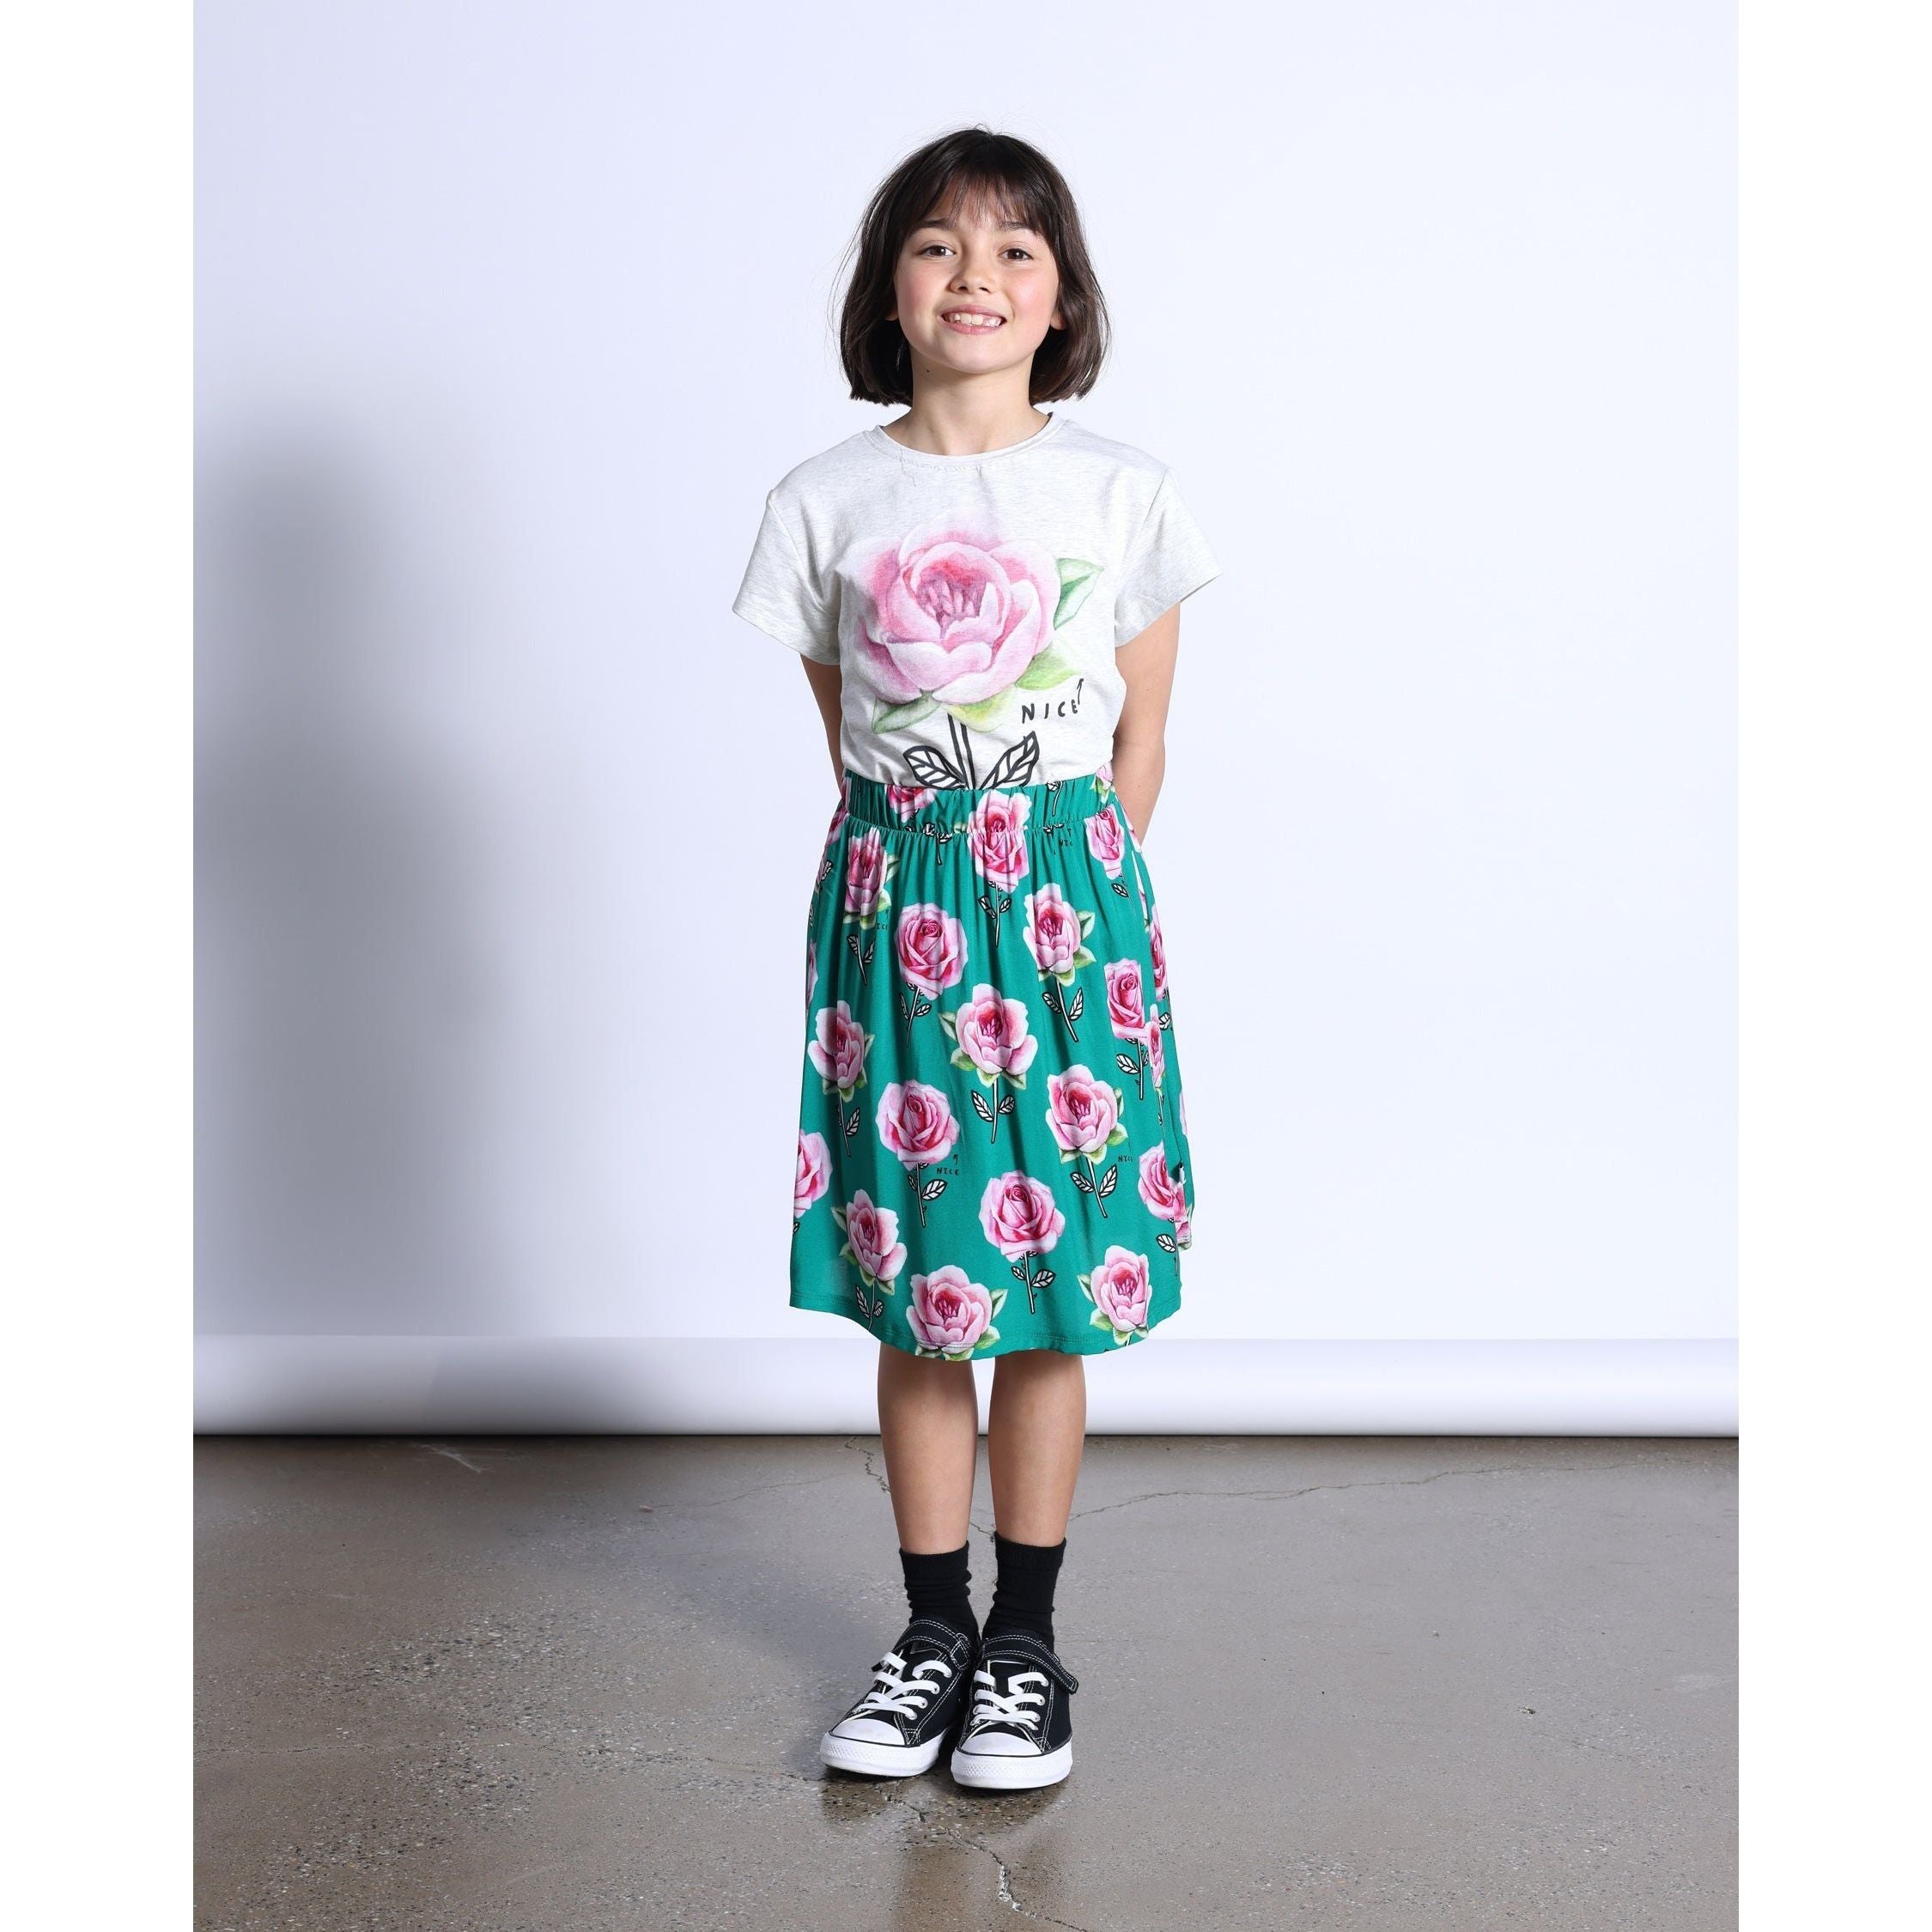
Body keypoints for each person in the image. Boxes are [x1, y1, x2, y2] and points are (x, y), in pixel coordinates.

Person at [731, 127, 1219, 1792]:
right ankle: (931, 1632)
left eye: (1017, 250)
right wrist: (936, 874)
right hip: (905, 911)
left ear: (1062, 296)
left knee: (1051, 1282)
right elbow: (852, 742)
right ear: (888, 288)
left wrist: (1075, 907)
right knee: (927, 1290)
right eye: (937, 246)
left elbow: (1140, 741)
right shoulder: (823, 502)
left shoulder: (1124, 494)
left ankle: (1025, 1645)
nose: (976, 278)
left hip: (1071, 914)